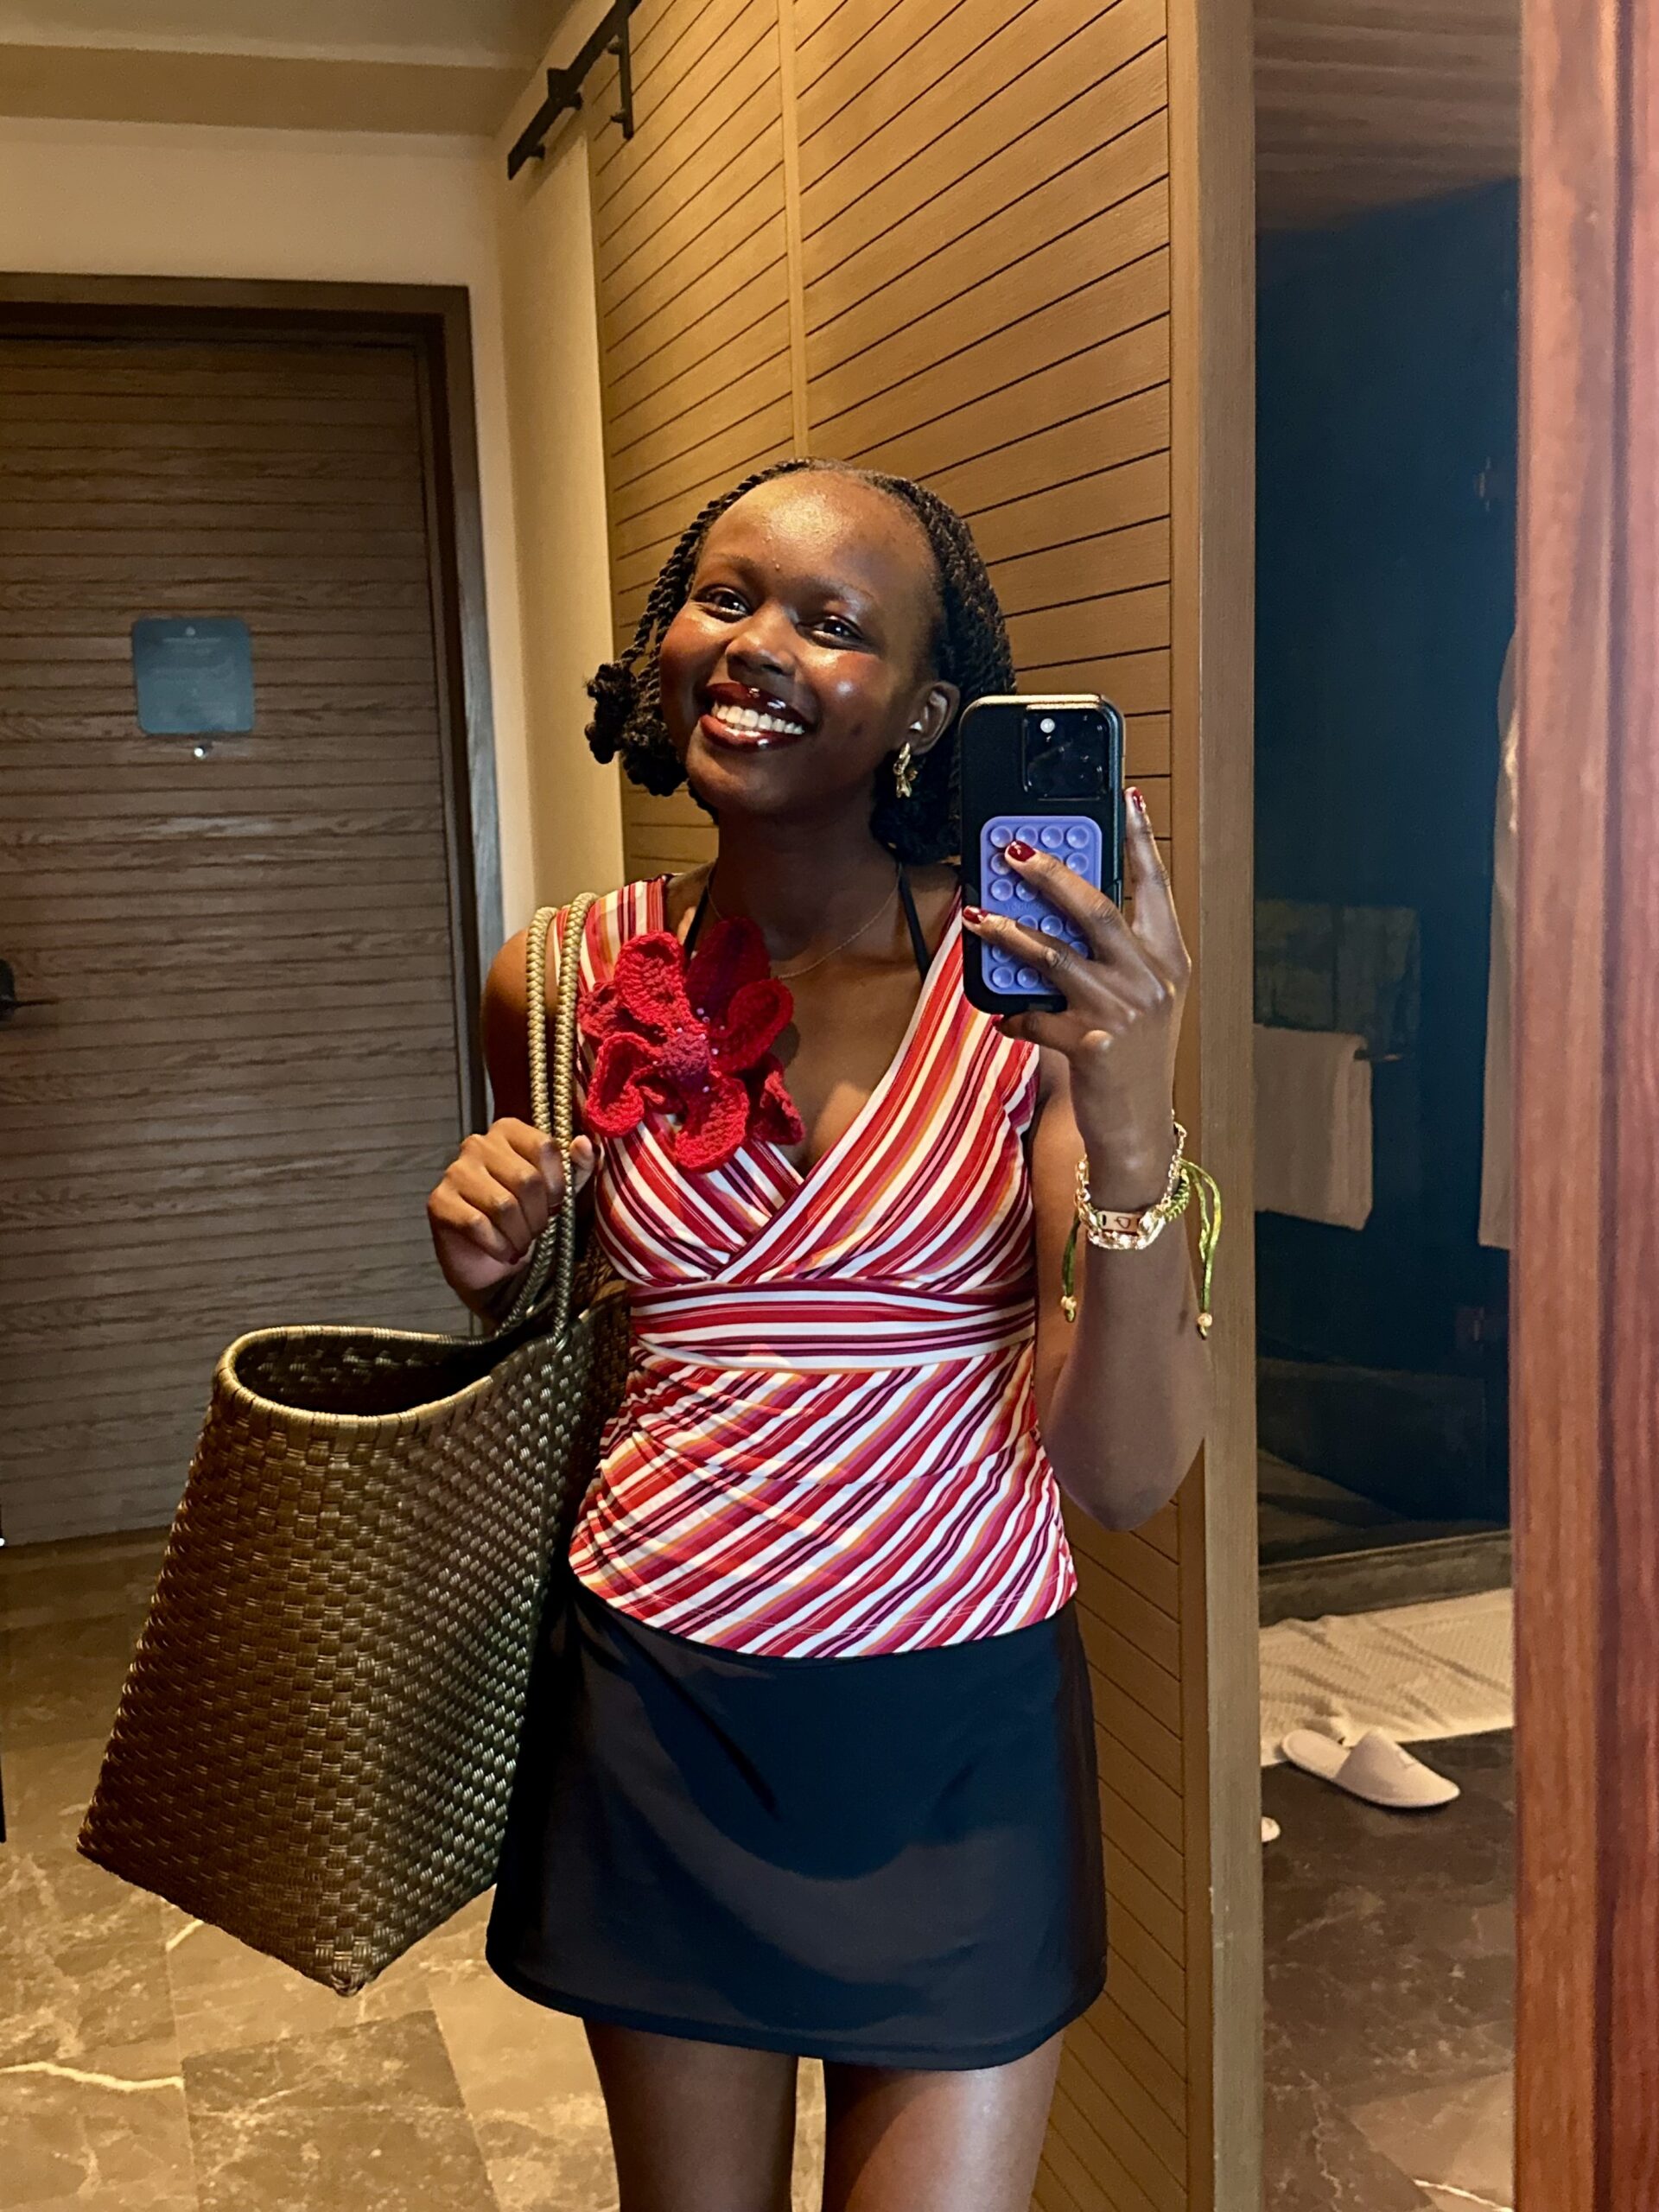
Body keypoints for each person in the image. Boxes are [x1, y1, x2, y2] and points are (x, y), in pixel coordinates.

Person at [426, 457, 1211, 2212]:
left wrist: (1139, 1115)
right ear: (660, 641)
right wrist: (499, 1267)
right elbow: (582, 1344)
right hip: (659, 1702)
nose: (756, 643)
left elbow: (1130, 1467)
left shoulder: (1030, 1002)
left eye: (833, 621)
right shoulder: (556, 980)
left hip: (961, 1734)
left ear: (934, 708)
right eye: (725, 594)